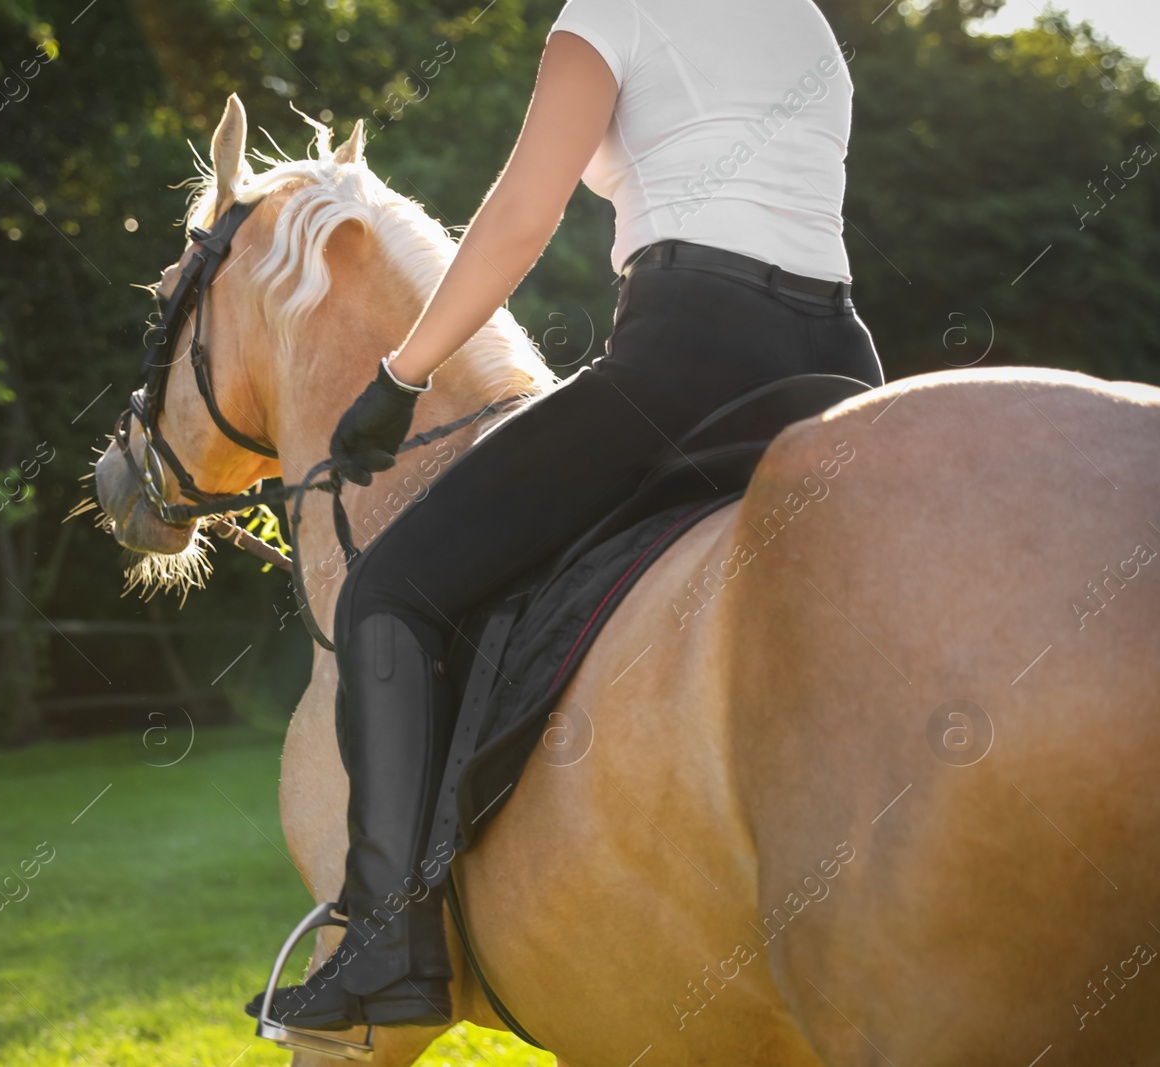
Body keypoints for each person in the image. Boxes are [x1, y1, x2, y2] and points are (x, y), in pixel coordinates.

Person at [248, 0, 883, 1031]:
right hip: (839, 362)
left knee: (389, 589)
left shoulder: (608, 11)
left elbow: (518, 217)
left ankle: (387, 948)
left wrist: (400, 377)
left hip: (688, 356)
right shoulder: (798, 17)